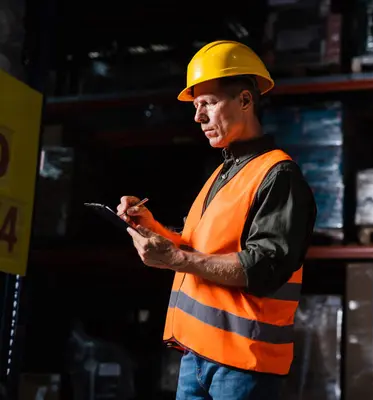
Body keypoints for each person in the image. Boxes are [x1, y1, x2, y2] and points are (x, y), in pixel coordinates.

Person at [116, 40, 317, 399]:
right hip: (197, 356)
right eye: (195, 107)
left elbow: (264, 267)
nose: (198, 117)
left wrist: (175, 259)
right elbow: (199, 248)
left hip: (242, 365)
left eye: (207, 103)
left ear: (244, 100)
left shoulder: (278, 175)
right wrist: (152, 228)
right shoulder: (225, 172)